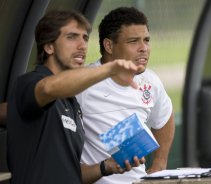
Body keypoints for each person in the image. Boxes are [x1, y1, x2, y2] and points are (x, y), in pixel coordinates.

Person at [6, 9, 145, 184]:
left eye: (85, 38)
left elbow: (71, 173)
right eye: (72, 37)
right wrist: (109, 69)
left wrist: (106, 167)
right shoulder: (29, 83)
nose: (82, 46)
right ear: (49, 47)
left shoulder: (71, 101)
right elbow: (49, 88)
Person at [76, 7, 175, 184]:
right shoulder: (83, 83)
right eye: (133, 41)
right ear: (109, 46)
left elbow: (165, 117)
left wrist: (160, 163)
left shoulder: (150, 80)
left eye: (146, 40)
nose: (144, 48)